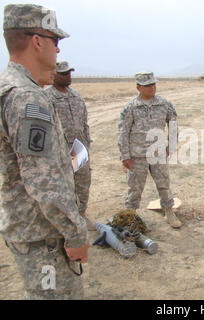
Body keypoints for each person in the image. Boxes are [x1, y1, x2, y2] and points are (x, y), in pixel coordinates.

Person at [0, 4, 89, 300]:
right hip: (44, 238)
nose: (59, 51)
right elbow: (45, 183)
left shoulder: (10, 89)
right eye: (56, 41)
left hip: (29, 232)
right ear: (37, 42)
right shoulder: (28, 99)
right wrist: (75, 232)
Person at [118, 72, 182, 228]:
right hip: (137, 156)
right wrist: (125, 155)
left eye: (153, 84)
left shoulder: (164, 104)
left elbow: (173, 125)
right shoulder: (131, 107)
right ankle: (130, 216)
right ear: (138, 87)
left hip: (158, 154)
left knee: (164, 185)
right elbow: (123, 132)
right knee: (135, 188)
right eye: (148, 85)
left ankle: (169, 212)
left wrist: (170, 146)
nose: (152, 87)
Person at [45, 61, 95, 230]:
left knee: (83, 183)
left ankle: (81, 215)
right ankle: (66, 222)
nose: (68, 76)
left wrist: (87, 144)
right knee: (63, 187)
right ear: (54, 75)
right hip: (58, 151)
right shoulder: (46, 97)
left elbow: (84, 123)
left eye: (69, 73)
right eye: (64, 73)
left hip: (79, 149)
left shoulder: (76, 96)